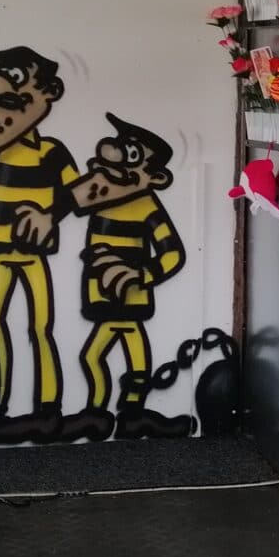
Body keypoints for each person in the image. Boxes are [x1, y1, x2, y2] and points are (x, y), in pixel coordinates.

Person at [0, 47, 82, 443]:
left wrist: (49, 215)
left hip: (32, 252)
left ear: (48, 93)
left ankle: (48, 406)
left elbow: (76, 193)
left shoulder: (51, 151)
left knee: (39, 325)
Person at [64, 116, 192, 441]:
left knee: (97, 355)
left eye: (132, 153)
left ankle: (112, 411)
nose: (116, 154)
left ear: (156, 177)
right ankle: (118, 412)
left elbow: (172, 253)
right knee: (108, 354)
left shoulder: (147, 206)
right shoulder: (101, 197)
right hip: (100, 291)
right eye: (120, 145)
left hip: (130, 293)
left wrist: (143, 274)